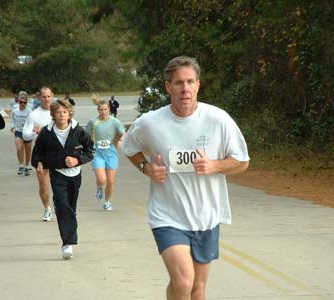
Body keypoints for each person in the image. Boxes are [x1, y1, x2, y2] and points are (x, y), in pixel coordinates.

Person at [121, 56, 249, 300]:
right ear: (168, 87)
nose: (185, 88)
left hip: (206, 215)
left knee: (197, 289)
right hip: (167, 215)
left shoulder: (218, 120)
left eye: (190, 81)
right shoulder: (150, 122)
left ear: (198, 85)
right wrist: (146, 169)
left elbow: (242, 161)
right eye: (179, 83)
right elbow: (128, 147)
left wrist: (214, 165)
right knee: (182, 281)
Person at [31, 100, 93, 260]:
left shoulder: (78, 131)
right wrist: (38, 162)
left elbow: (90, 150)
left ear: (69, 113)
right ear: (53, 115)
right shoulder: (47, 132)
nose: (62, 115)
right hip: (57, 173)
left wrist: (77, 160)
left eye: (64, 112)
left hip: (75, 174)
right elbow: (38, 152)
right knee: (62, 204)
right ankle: (67, 243)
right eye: (58, 112)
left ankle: (69, 228)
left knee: (70, 207)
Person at [85, 98, 126, 211]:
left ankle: (107, 202)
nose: (103, 112)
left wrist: (121, 141)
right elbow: (85, 135)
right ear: (98, 110)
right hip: (97, 153)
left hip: (111, 153)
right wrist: (86, 147)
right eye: (101, 110)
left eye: (105, 109)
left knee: (111, 181)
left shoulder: (115, 121)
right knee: (102, 179)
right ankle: (99, 187)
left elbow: (123, 133)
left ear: (109, 109)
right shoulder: (93, 122)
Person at [23, 87, 53, 221]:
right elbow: (25, 134)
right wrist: (35, 132)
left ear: (52, 96)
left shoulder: (60, 112)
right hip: (42, 153)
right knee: (43, 184)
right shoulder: (34, 114)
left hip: (59, 153)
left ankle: (64, 208)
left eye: (48, 96)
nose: (46, 99)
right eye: (44, 97)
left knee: (62, 184)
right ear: (39, 98)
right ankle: (47, 208)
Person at [10, 91, 33, 176]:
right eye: (21, 102)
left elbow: (33, 122)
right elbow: (12, 120)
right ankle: (21, 165)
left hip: (27, 132)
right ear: (18, 102)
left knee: (28, 151)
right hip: (18, 132)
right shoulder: (15, 111)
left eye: (24, 102)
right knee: (19, 148)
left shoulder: (29, 111)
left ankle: (27, 166)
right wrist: (12, 127)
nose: (22, 104)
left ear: (26, 103)